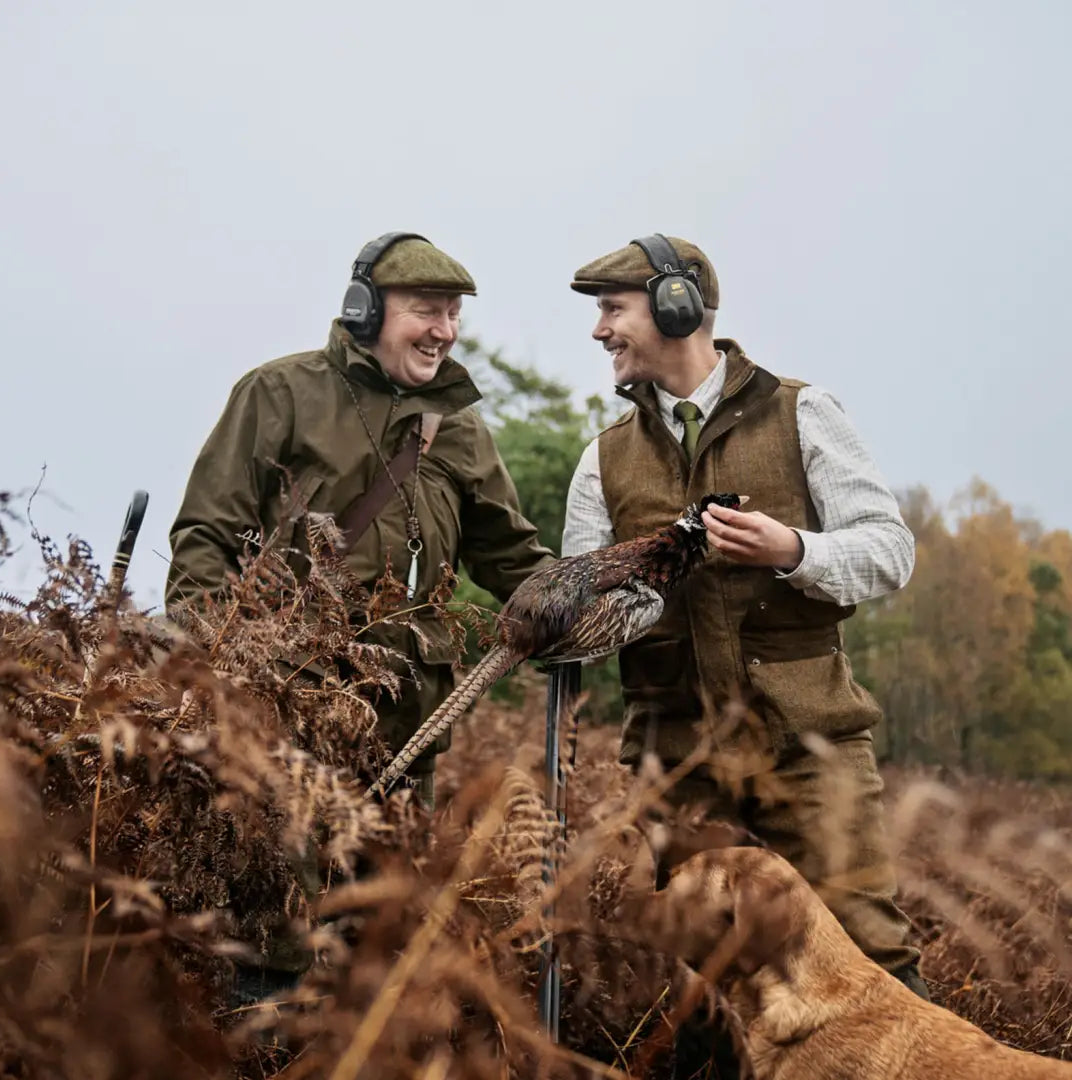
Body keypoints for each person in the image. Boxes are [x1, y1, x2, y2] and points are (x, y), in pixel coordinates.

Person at [562, 234, 928, 1004]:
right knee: (711, 982)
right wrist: (597, 604)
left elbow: (890, 551)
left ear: (677, 305)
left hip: (809, 743)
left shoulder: (803, 412)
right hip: (679, 756)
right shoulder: (603, 459)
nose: (599, 331)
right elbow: (580, 610)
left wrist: (790, 548)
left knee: (870, 955)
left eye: (612, 309)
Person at [167, 232, 553, 810]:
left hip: (404, 738)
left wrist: (586, 593)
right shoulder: (279, 394)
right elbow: (205, 539)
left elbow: (509, 556)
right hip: (283, 718)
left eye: (453, 315)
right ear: (365, 310)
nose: (443, 331)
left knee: (388, 899)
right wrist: (213, 680)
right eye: (425, 311)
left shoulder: (460, 428)